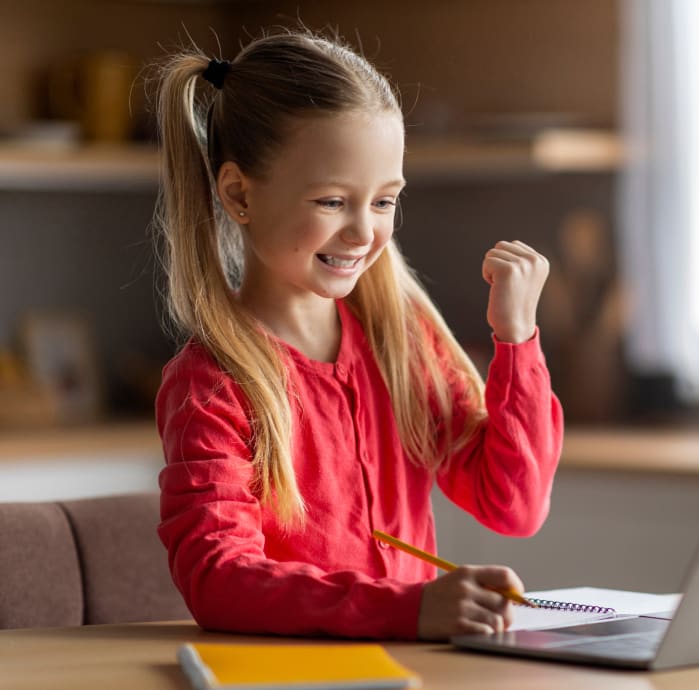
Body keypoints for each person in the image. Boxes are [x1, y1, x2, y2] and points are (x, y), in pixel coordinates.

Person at [151, 29, 563, 641]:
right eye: (333, 201)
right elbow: (219, 577)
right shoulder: (211, 383)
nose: (365, 233)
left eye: (384, 201)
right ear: (239, 193)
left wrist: (517, 338)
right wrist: (411, 609)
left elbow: (515, 505)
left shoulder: (403, 341)